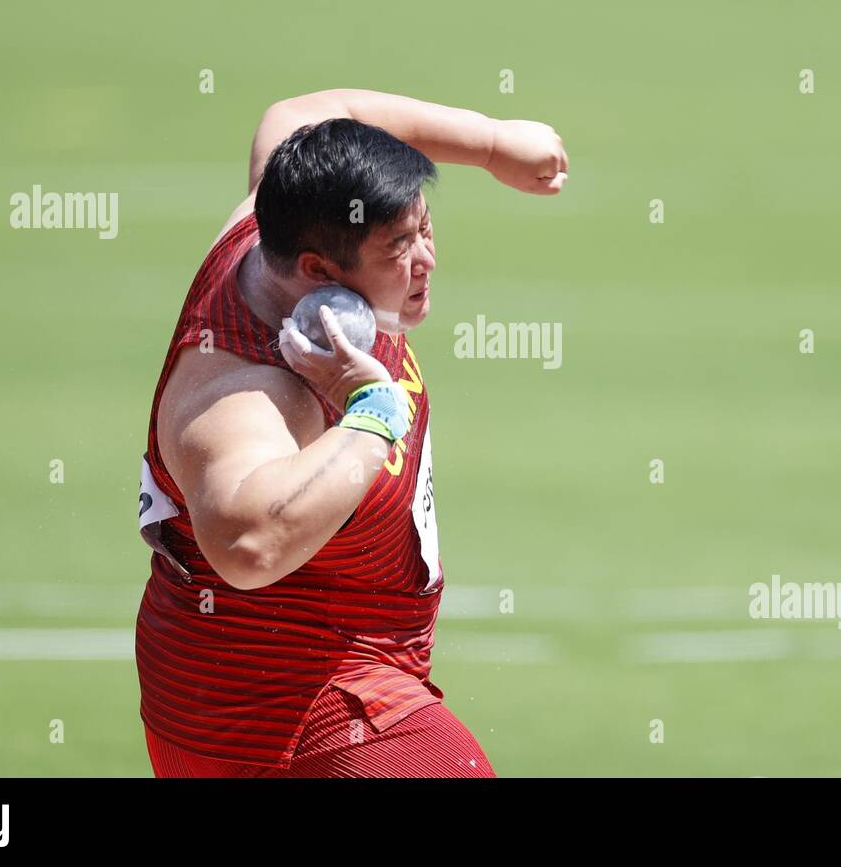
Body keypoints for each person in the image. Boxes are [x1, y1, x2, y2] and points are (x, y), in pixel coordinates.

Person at [134, 89, 568, 777]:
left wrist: (489, 143)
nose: (428, 259)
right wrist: (372, 413)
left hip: (316, 675)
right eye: (399, 246)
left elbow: (302, 112)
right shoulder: (248, 392)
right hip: (290, 709)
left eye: (426, 229)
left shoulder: (271, 215)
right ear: (317, 273)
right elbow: (245, 545)